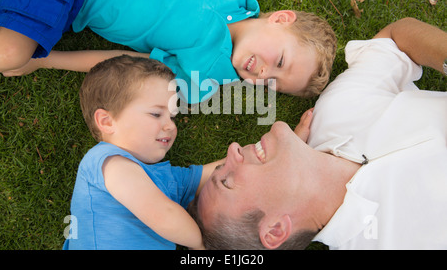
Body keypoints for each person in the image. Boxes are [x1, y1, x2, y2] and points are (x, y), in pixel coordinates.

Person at [188, 18, 447, 250]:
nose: (233, 149)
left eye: (221, 166)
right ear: (275, 229)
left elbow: (393, 38)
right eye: (227, 181)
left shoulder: (333, 111)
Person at [0, 0, 337, 104]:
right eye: (279, 61)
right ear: (281, 19)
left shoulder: (203, 78)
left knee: (11, 53)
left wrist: (45, 60)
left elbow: (123, 62)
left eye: (271, 84)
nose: (263, 73)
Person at [63, 55, 222, 250]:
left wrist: (259, 154)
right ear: (107, 121)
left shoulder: (166, 178)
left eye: (173, 117)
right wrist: (200, 244)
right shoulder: (105, 162)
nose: (171, 126)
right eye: (156, 114)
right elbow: (164, 214)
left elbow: (216, 173)